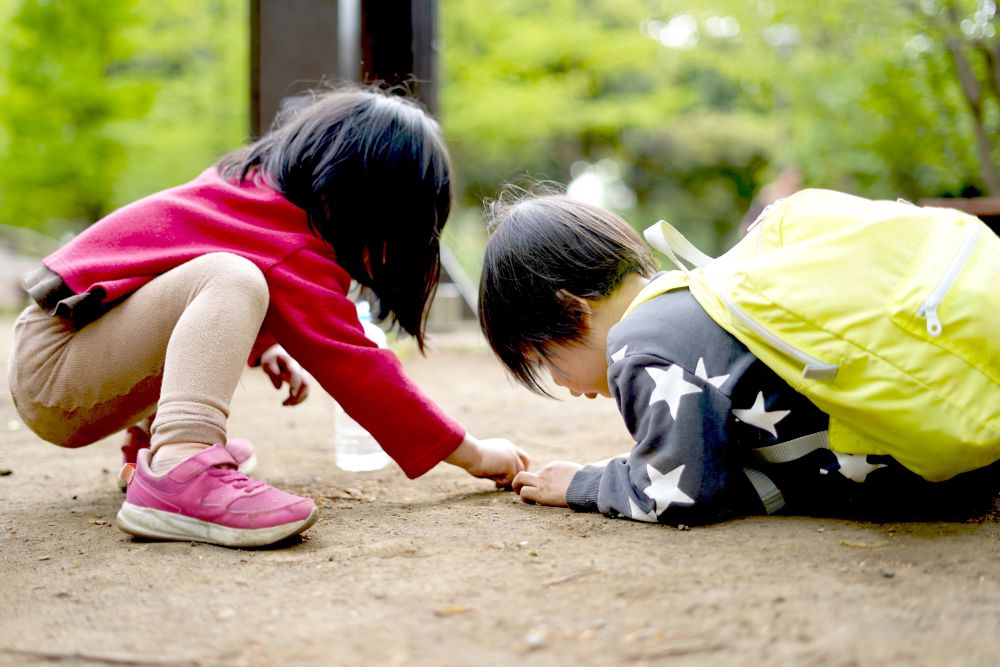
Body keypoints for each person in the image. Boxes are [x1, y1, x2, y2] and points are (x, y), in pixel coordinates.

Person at [7, 85, 529, 548]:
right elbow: (361, 370)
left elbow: (165, 281)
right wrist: (473, 453)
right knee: (232, 277)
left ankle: (154, 449)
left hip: (72, 363)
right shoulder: (290, 243)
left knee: (232, 277)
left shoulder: (254, 203)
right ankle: (179, 466)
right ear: (369, 204)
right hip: (57, 364)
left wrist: (262, 343)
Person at [478, 193, 996, 526]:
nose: (566, 387)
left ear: (573, 313)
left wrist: (583, 484)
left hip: (916, 478)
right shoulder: (697, 294)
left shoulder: (637, 349)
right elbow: (720, 466)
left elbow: (680, 491)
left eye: (546, 361)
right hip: (946, 435)